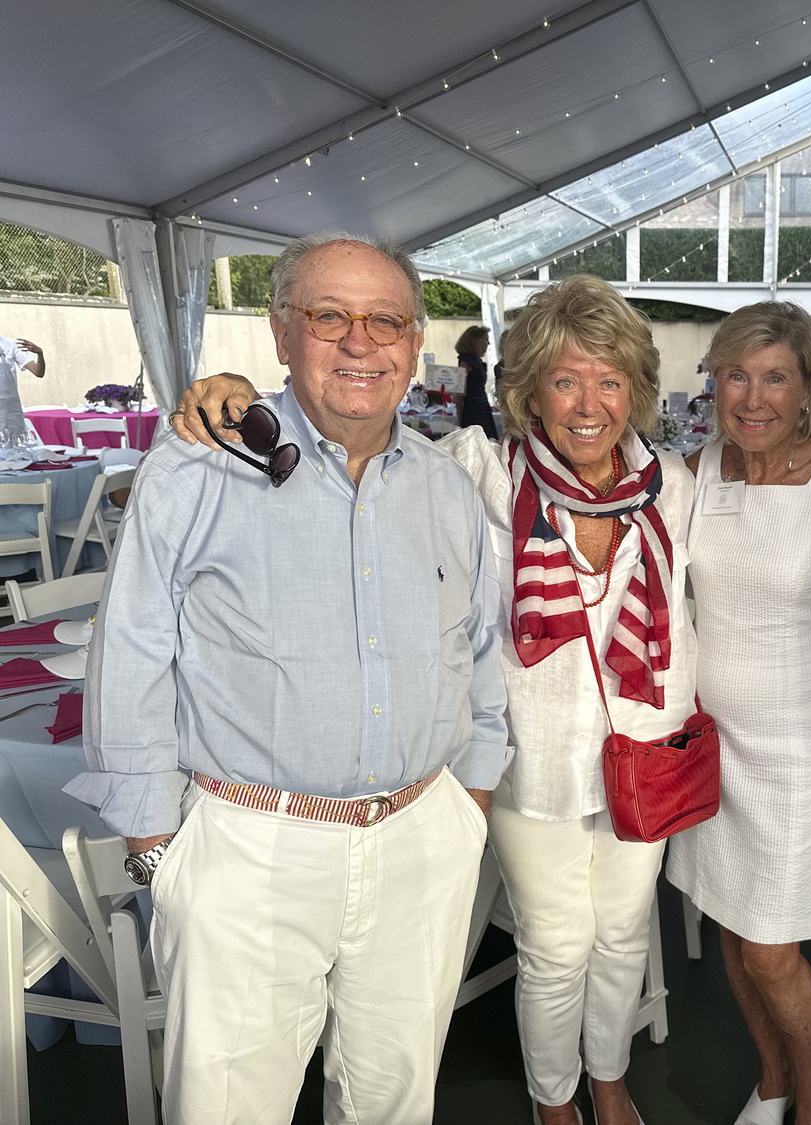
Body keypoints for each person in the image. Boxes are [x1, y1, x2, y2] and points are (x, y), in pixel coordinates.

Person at [172, 274, 695, 1125]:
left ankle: (610, 1075)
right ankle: (555, 1099)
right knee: (557, 947)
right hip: (532, 763)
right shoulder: (476, 469)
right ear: (528, 393)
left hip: (644, 757)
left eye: (610, 380)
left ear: (637, 390)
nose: (589, 403)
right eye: (566, 379)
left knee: (627, 936)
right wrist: (235, 394)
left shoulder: (674, 484)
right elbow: (350, 439)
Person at [70, 233, 509, 1125]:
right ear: (280, 333)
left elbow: (482, 650)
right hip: (250, 848)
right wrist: (161, 847)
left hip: (421, 837)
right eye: (328, 316)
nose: (360, 340)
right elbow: (132, 649)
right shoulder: (198, 465)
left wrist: (471, 802)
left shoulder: (445, 484)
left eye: (386, 319)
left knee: (394, 1102)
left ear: (414, 339)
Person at [666, 302, 811, 1125]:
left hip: (797, 745)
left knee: (770, 943)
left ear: (806, 392)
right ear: (715, 384)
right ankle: (773, 1077)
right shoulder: (694, 471)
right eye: (736, 376)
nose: (753, 398)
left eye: (775, 378)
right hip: (709, 738)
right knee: (727, 913)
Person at [455, 323, 499, 438]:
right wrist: (459, 411)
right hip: (472, 407)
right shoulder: (466, 360)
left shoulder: (476, 360)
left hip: (481, 404)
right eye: (485, 340)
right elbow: (459, 387)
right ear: (476, 340)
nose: (488, 343)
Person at [0, 335, 44, 442]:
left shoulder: (11, 345)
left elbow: (38, 372)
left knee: (12, 450)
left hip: (8, 409)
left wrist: (40, 353)